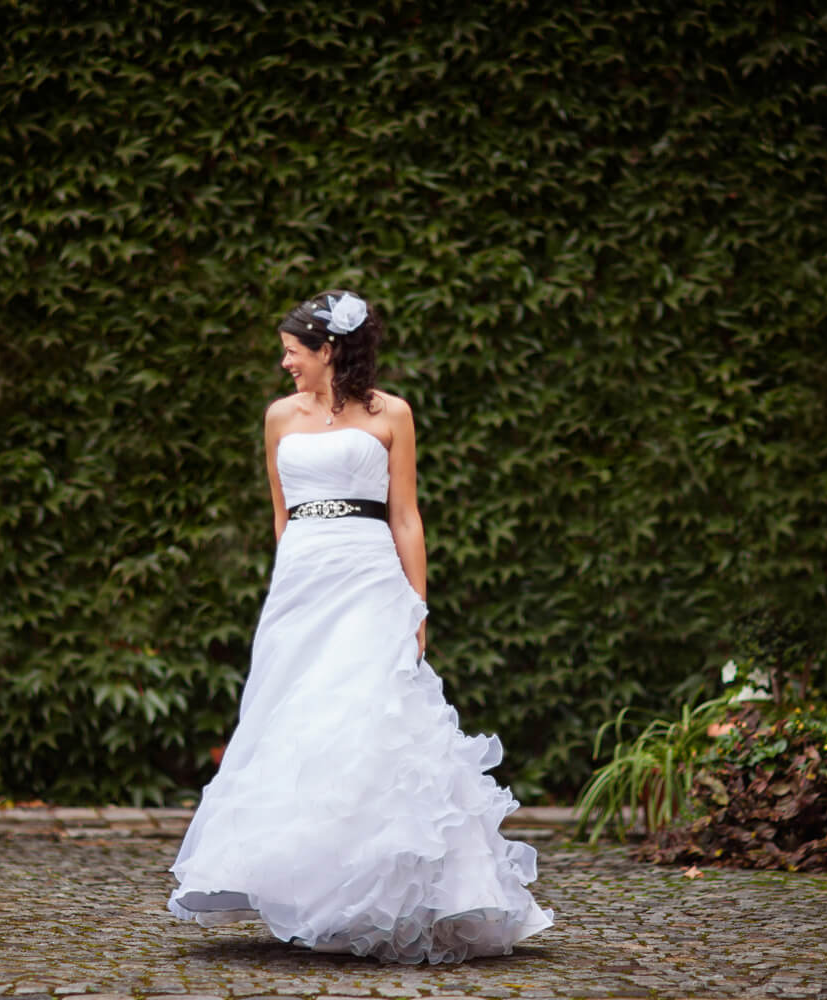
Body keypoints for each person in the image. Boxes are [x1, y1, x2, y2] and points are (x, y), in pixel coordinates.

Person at [167, 289, 553, 963]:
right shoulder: (278, 417)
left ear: (328, 351)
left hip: (371, 575)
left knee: (374, 712)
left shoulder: (392, 414)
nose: (285, 364)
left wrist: (416, 603)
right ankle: (310, 885)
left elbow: (406, 515)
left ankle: (398, 889)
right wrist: (288, 585)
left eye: (293, 352)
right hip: (303, 580)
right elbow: (281, 514)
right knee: (299, 715)